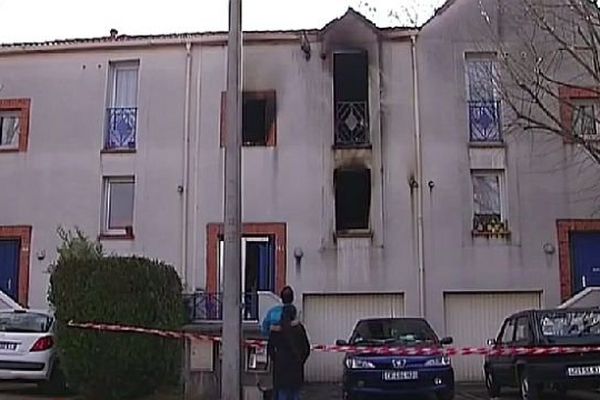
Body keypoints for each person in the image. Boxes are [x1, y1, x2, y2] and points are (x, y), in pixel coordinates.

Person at [267, 304, 310, 400]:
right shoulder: (299, 329)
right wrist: (300, 361)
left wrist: (276, 360)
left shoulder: (275, 331)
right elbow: (306, 348)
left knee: (282, 394)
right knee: (295, 394)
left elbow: (270, 349)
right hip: (296, 370)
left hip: (280, 371)